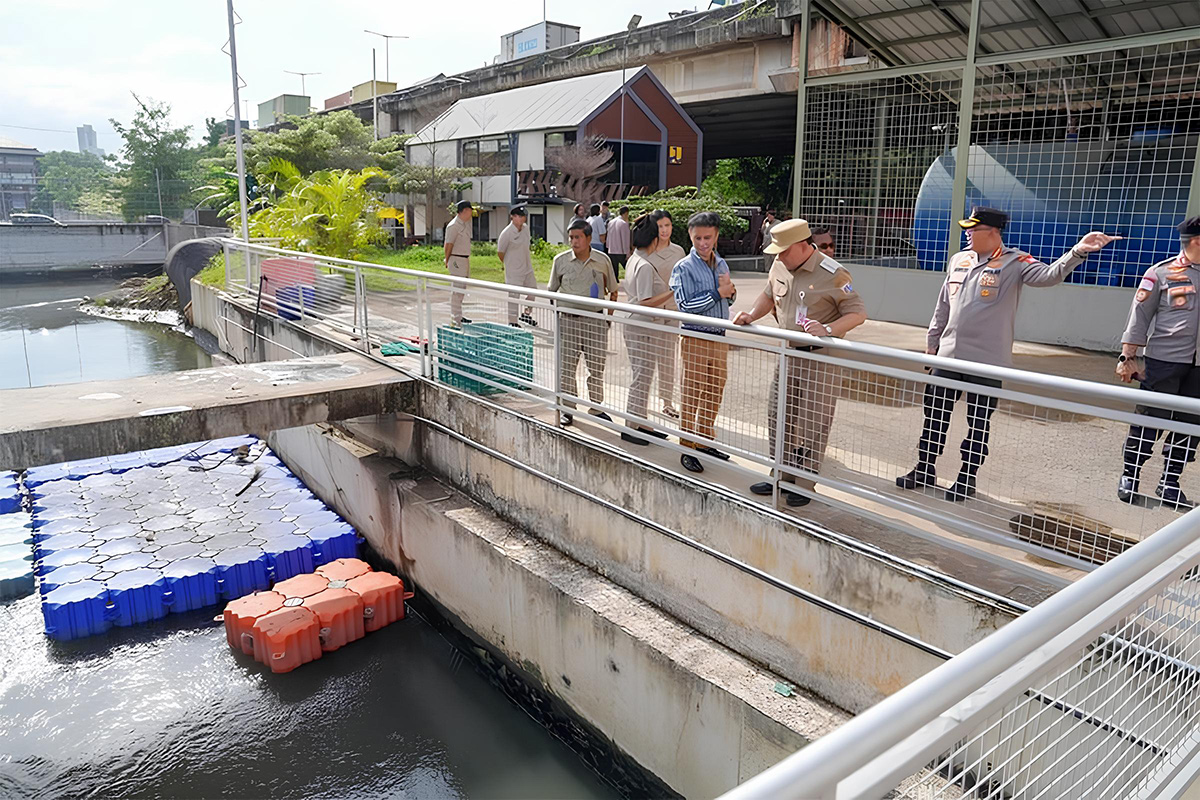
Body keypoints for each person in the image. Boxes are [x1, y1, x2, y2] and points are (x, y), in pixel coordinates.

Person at [896, 206, 1122, 501]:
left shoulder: (1015, 262)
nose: (967, 234)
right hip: (948, 356)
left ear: (993, 231)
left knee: (978, 423)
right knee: (935, 416)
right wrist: (932, 342)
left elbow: (1048, 276)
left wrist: (1077, 252)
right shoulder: (959, 260)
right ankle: (925, 468)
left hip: (988, 362)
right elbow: (943, 305)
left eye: (973, 229)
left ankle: (967, 477)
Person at [733, 219, 867, 507]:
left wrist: (828, 329)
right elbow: (769, 295)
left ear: (803, 246)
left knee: (813, 421)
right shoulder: (780, 265)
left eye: (784, 251)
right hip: (788, 354)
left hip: (820, 358)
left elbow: (857, 313)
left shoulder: (834, 273)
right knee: (779, 414)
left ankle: (804, 483)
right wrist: (751, 315)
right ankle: (779, 475)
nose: (779, 257)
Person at [1115, 216, 1200, 509]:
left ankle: (1170, 481)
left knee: (1191, 424)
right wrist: (1127, 358)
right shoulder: (1161, 273)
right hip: (1164, 360)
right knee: (1150, 419)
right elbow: (1138, 318)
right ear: (1197, 241)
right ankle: (1130, 475)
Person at [670, 211, 736, 474]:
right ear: (690, 236)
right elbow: (685, 306)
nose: (703, 243)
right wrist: (718, 293)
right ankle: (687, 447)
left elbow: (728, 298)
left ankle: (705, 439)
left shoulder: (721, 264)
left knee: (715, 388)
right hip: (695, 335)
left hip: (719, 336)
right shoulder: (683, 267)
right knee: (692, 391)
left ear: (716, 235)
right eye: (698, 238)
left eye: (708, 237)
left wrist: (730, 292)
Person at [548, 218, 619, 426]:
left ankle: (596, 408)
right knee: (566, 367)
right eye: (571, 237)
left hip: (595, 321)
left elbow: (613, 291)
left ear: (588, 238)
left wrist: (607, 318)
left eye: (578, 237)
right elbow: (551, 291)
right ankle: (567, 408)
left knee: (596, 366)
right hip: (568, 322)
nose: (574, 241)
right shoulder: (560, 261)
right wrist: (559, 315)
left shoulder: (602, 260)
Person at [621, 214, 676, 446]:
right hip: (642, 326)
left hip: (639, 325)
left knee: (643, 376)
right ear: (653, 240)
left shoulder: (635, 258)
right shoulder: (644, 265)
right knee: (642, 377)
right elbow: (645, 301)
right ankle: (631, 426)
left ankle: (641, 422)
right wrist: (672, 292)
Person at [644, 209, 687, 419]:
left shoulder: (679, 252)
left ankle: (667, 401)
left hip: (671, 311)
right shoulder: (645, 252)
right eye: (660, 226)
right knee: (646, 359)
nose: (664, 230)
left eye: (667, 225)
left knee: (668, 359)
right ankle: (641, 401)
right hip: (650, 313)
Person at [497, 205, 537, 327]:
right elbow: (500, 252)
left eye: (523, 216)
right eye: (519, 216)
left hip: (527, 267)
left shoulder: (526, 229)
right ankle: (512, 321)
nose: (522, 219)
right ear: (512, 217)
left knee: (533, 291)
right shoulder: (507, 233)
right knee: (514, 296)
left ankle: (526, 314)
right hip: (514, 270)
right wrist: (509, 264)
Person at [443, 200, 474, 325]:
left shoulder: (466, 224)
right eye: (470, 210)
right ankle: (455, 317)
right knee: (457, 289)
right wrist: (447, 259)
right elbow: (448, 244)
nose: (471, 213)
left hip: (464, 259)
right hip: (456, 259)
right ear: (465, 210)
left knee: (462, 289)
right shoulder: (453, 225)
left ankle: (459, 315)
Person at [607, 206, 631, 279]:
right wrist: (627, 252)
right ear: (626, 213)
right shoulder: (623, 223)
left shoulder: (610, 222)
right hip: (621, 251)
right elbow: (625, 239)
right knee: (629, 268)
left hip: (611, 250)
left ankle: (615, 284)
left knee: (614, 272)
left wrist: (608, 247)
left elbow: (608, 236)